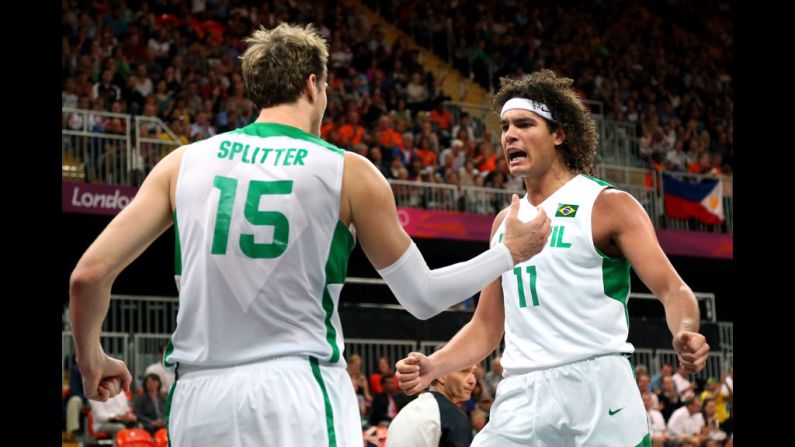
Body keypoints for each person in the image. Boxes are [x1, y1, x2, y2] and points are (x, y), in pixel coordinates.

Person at [68, 23, 551, 447]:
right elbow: (423, 298)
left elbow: (88, 275)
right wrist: (509, 253)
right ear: (313, 84)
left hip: (198, 396)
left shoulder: (181, 163)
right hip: (297, 389)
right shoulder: (348, 172)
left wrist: (91, 358)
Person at [395, 69, 710, 447]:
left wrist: (686, 330)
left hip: (598, 384)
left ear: (559, 134)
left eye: (524, 124)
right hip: (521, 391)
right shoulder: (503, 223)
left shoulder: (608, 205)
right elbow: (487, 327)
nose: (509, 134)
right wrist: (436, 365)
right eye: (505, 126)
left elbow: (673, 289)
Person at [386, 365, 477, 447]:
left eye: (474, 373)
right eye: (464, 371)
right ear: (441, 375)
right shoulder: (453, 416)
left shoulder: (407, 410)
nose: (472, 381)